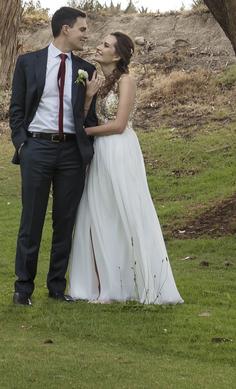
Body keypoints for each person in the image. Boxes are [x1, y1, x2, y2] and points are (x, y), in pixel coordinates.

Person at [67, 31, 183, 304]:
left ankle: (134, 283)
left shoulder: (126, 81)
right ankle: (106, 285)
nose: (98, 47)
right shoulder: (99, 82)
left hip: (119, 150)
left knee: (125, 211)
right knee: (99, 213)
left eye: (105, 45)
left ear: (117, 55)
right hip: (100, 152)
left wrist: (82, 133)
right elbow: (88, 117)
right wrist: (88, 98)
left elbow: (119, 125)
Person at [8, 6, 100, 306]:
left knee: (65, 222)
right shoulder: (28, 62)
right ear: (65, 29)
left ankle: (57, 287)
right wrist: (22, 145)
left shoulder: (87, 69)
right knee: (31, 220)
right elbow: (16, 109)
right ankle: (23, 288)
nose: (86, 35)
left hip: (72, 152)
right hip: (37, 149)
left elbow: (89, 116)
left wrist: (86, 145)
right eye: (82, 29)